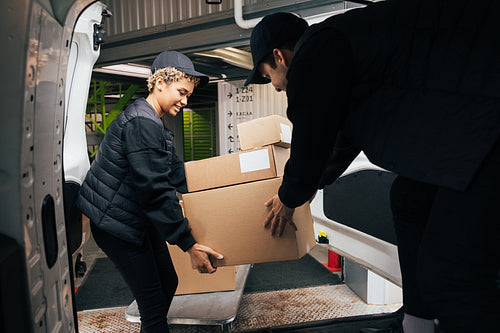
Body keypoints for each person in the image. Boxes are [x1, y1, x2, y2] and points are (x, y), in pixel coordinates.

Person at [245, 1, 500, 332]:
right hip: (468, 127)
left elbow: (312, 136)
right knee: (406, 197)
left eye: (270, 76)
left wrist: (289, 196)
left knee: (452, 275)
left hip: (484, 131)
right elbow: (338, 141)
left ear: (280, 56)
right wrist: (302, 191)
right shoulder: (344, 47)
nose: (277, 87)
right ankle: (417, 321)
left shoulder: (316, 51)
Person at [77, 50, 223, 333]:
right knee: (154, 305)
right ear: (160, 83)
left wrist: (221, 186)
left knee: (168, 282)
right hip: (116, 225)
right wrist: (189, 244)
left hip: (135, 217)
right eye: (181, 92)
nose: (185, 100)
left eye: (188, 95)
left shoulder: (150, 120)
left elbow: (175, 171)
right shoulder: (142, 123)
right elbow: (155, 191)